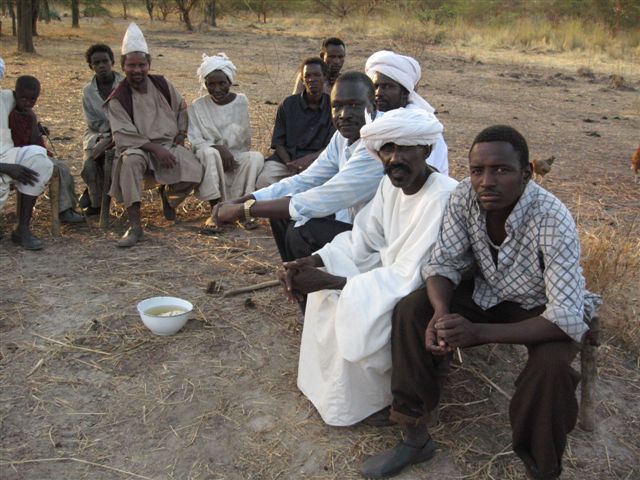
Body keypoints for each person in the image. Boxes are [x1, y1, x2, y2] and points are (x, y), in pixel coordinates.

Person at [360, 125, 602, 480]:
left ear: (526, 173)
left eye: (501, 170)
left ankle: (542, 468)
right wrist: (442, 314)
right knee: (413, 311)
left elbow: (564, 316)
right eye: (477, 170)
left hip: (542, 308)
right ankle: (414, 434)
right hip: (487, 292)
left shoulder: (552, 217)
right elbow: (443, 264)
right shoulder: (464, 197)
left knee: (551, 371)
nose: (486, 181)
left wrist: (478, 332)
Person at [280, 108, 457, 427]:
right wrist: (315, 261)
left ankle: (374, 401)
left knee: (351, 301)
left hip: (422, 289)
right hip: (390, 273)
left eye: (404, 148)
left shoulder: (443, 196)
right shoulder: (391, 186)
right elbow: (364, 238)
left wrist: (331, 281)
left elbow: (412, 274)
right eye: (387, 148)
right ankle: (330, 394)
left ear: (427, 149)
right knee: (332, 290)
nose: (394, 158)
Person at [215, 72, 384, 268]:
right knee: (281, 215)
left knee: (303, 232)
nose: (344, 115)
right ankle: (296, 281)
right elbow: (305, 180)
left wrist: (244, 210)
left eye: (354, 105)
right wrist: (244, 199)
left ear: (373, 106)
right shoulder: (343, 136)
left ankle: (314, 286)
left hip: (374, 240)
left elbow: (325, 197)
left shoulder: (377, 142)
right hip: (351, 223)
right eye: (337, 106)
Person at [106, 23, 219, 248]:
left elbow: (181, 108)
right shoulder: (118, 98)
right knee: (130, 164)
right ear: (123, 67)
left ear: (149, 64)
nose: (136, 70)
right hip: (138, 148)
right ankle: (135, 226)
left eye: (141, 65)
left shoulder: (162, 84)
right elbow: (123, 134)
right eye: (131, 65)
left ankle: (169, 197)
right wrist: (155, 149)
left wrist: (180, 133)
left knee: (196, 169)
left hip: (168, 143)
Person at [188, 53, 264, 233]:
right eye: (211, 84)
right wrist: (218, 148)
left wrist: (229, 153)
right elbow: (196, 141)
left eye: (222, 83)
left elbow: (243, 140)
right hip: (209, 156)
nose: (217, 89)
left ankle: (242, 211)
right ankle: (215, 212)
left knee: (255, 157)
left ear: (230, 82)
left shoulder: (241, 101)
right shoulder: (197, 106)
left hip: (235, 155)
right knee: (210, 153)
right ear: (204, 84)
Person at [8, 75, 84, 224]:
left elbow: (32, 134)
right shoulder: (15, 115)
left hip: (37, 152)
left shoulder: (26, 113)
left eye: (32, 100)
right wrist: (33, 122)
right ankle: (64, 210)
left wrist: (39, 128)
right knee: (60, 169)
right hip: (25, 155)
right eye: (24, 99)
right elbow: (29, 142)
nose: (28, 103)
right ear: (15, 94)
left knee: (64, 169)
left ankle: (69, 207)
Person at [255, 57, 335, 189]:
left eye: (316, 75)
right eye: (307, 76)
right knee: (263, 180)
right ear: (302, 80)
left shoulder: (332, 106)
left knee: (325, 186)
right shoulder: (288, 104)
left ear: (325, 77)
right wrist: (289, 164)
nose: (312, 79)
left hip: (317, 162)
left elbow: (330, 147)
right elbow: (278, 143)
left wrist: (308, 161)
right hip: (285, 162)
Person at [365, 50, 449, 175]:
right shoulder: (377, 119)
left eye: (387, 86)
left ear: (405, 92)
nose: (378, 93)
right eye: (375, 86)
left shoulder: (418, 123)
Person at [0, 59, 54, 250]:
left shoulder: (6, 97)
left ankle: (21, 229)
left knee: (39, 159)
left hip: (6, 154)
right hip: (4, 163)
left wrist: (36, 125)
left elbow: (26, 100)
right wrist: (5, 168)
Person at [80, 43, 124, 215]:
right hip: (97, 133)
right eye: (96, 63)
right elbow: (92, 121)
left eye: (105, 61)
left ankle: (110, 196)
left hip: (122, 131)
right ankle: (96, 202)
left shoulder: (124, 84)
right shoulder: (88, 91)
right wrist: (103, 138)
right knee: (90, 162)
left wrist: (112, 137)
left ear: (112, 62)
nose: (101, 66)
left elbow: (131, 116)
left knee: (115, 161)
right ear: (91, 66)